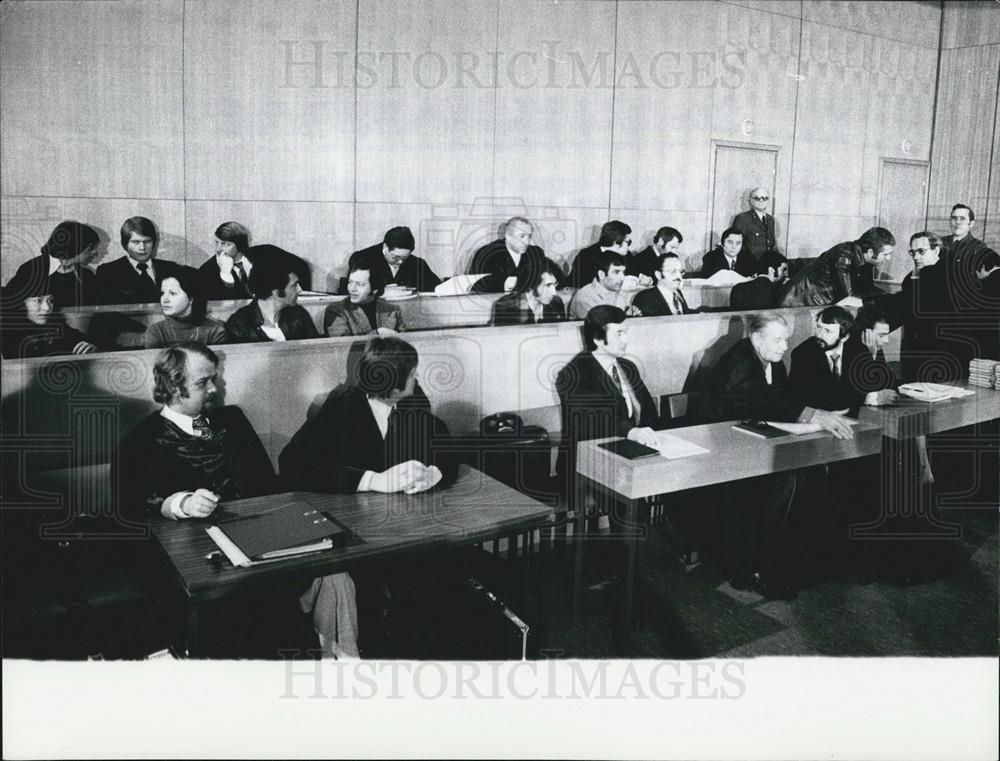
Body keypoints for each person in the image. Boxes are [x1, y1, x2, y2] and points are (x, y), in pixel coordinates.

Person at [113, 342, 358, 658]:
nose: (214, 389)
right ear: (173, 386)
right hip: (208, 562)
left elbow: (270, 486)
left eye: (214, 379)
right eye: (203, 383)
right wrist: (178, 503)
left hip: (269, 541)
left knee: (336, 574)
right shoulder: (140, 442)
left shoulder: (233, 421)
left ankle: (342, 667)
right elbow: (129, 511)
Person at [701, 313, 855, 599]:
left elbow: (780, 401)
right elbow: (760, 396)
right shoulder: (739, 360)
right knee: (788, 480)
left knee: (811, 471)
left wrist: (816, 415)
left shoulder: (772, 360)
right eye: (778, 339)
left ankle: (790, 559)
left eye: (785, 339)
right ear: (756, 338)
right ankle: (755, 565)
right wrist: (811, 414)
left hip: (757, 441)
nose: (785, 346)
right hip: (727, 453)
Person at [279, 336, 455, 494]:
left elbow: (444, 448)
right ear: (393, 384)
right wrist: (371, 481)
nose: (416, 376)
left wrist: (434, 473)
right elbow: (292, 465)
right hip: (350, 511)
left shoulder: (413, 398)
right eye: (410, 374)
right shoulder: (340, 407)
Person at [555, 304, 661, 495]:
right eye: (619, 333)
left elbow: (648, 411)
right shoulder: (573, 374)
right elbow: (592, 420)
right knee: (628, 496)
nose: (626, 340)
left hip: (629, 455)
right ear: (597, 339)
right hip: (587, 462)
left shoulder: (628, 367)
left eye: (626, 332)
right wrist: (631, 432)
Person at [876, 231, 960, 382]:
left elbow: (909, 302)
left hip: (940, 351)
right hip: (915, 347)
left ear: (936, 250)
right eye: (912, 252)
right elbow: (905, 306)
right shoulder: (914, 275)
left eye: (921, 251)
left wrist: (874, 302)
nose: (915, 257)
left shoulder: (949, 275)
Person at [779, 226, 894, 307]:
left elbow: (866, 290)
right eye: (886, 254)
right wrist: (884, 298)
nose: (888, 258)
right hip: (798, 304)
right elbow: (849, 298)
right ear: (870, 252)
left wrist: (888, 297)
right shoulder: (844, 256)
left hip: (816, 304)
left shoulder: (866, 259)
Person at [197, 222, 312, 301]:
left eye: (225, 244)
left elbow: (300, 265)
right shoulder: (208, 270)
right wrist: (225, 275)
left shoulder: (267, 253)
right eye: (217, 242)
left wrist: (299, 291)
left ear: (240, 244)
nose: (218, 249)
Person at [6, 220, 99, 308]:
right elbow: (12, 306)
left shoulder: (86, 275)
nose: (95, 252)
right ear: (76, 245)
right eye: (91, 247)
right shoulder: (31, 270)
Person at [224, 257, 318, 343]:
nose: (299, 290)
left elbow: (316, 352)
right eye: (294, 285)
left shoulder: (299, 315)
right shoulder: (239, 324)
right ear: (276, 292)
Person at [1, 276, 97, 359]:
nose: (47, 308)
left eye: (50, 300)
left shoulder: (53, 324)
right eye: (38, 300)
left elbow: (80, 339)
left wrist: (89, 346)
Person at [96, 216, 184, 305]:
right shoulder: (108, 272)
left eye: (147, 241)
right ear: (125, 244)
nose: (142, 248)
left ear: (154, 243)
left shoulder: (172, 269)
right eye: (136, 242)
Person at [788, 306, 859, 412]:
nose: (819, 334)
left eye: (827, 331)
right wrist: (866, 398)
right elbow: (810, 399)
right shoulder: (803, 353)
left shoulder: (856, 350)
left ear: (844, 337)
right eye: (818, 327)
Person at [144, 265, 227, 349]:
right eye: (162, 293)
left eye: (173, 293)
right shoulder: (156, 331)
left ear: (191, 298)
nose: (164, 299)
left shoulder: (215, 330)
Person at [468, 216, 558, 293]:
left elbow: (556, 277)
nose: (527, 242)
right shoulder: (487, 254)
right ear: (508, 235)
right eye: (522, 236)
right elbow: (477, 285)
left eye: (529, 236)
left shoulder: (535, 253)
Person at [324, 255, 405, 337]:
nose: (352, 288)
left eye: (359, 284)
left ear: (375, 289)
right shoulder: (337, 311)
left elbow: (405, 345)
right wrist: (378, 333)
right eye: (350, 282)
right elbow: (344, 346)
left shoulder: (393, 311)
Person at [345, 226, 440, 293]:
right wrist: (381, 292)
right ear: (385, 247)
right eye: (396, 257)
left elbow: (436, 287)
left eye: (404, 258)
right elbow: (353, 289)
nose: (400, 262)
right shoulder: (362, 258)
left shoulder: (418, 264)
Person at [566, 220, 652, 289]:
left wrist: (642, 278)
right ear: (616, 242)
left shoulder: (626, 254)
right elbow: (581, 285)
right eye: (628, 242)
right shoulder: (586, 256)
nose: (629, 245)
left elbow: (634, 272)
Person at [490, 262, 566, 326]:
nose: (554, 292)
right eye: (548, 285)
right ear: (532, 285)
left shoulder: (556, 303)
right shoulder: (506, 306)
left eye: (555, 285)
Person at [567, 250, 636, 319]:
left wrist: (632, 314)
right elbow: (599, 326)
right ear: (601, 275)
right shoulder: (584, 297)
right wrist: (624, 315)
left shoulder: (620, 291)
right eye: (616, 272)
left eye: (623, 272)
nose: (622, 278)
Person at [731, 187, 778, 260]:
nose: (761, 201)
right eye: (757, 198)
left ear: (768, 201)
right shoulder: (743, 219)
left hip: (768, 264)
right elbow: (736, 245)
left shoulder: (771, 220)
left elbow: (771, 244)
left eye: (764, 198)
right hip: (750, 264)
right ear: (751, 201)